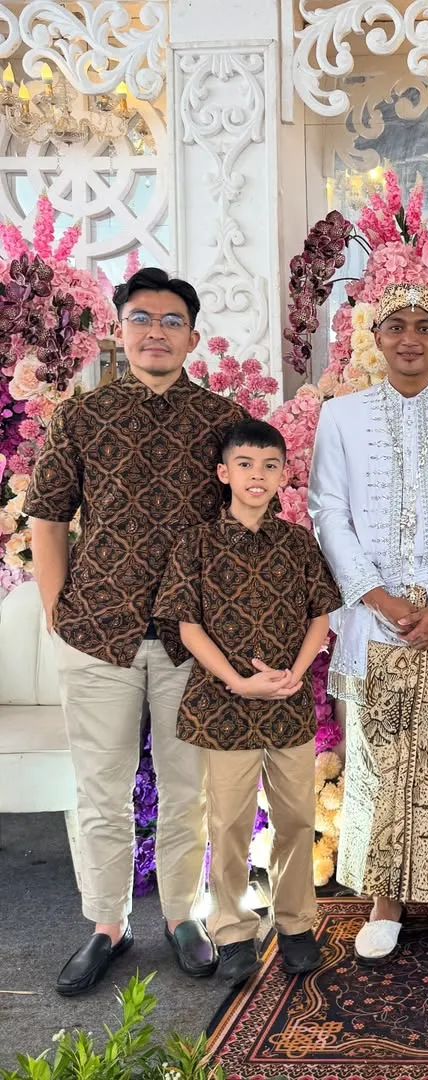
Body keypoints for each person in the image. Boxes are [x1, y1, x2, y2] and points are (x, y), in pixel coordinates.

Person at [25, 268, 246, 996]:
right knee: (101, 790)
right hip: (98, 633)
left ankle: (184, 917)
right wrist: (59, 612)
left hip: (192, 640)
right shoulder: (81, 416)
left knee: (187, 790)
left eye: (172, 320)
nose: (157, 331)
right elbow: (48, 517)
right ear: (119, 331)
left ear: (193, 335)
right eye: (142, 318)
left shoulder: (222, 420)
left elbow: (242, 525)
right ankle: (106, 925)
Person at [307, 282, 428, 964]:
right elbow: (328, 511)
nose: (410, 338)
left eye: (425, 325)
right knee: (376, 757)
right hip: (374, 618)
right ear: (377, 337)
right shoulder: (341, 416)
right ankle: (385, 900)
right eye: (397, 324)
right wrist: (378, 598)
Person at [153, 420, 342, 986]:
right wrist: (237, 681)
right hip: (224, 708)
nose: (256, 476)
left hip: (287, 704)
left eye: (268, 466)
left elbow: (320, 616)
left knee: (296, 819)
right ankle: (233, 930)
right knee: (230, 823)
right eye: (244, 464)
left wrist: (295, 675)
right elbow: (186, 626)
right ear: (223, 472)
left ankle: (295, 924)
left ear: (283, 475)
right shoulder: (197, 543)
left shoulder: (297, 543)